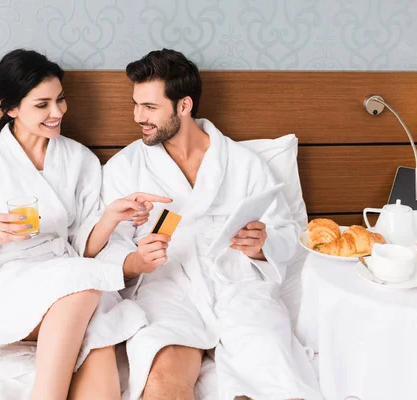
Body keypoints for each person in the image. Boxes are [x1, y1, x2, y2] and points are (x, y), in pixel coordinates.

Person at [0, 49, 171, 399]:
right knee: (88, 287)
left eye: (60, 100)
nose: (57, 113)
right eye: (42, 105)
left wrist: (111, 217)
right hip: (2, 285)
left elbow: (85, 245)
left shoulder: (78, 159)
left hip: (63, 274)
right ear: (10, 107)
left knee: (97, 324)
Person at [102, 49, 322, 400]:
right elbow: (107, 245)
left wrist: (262, 246)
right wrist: (135, 262)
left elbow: (286, 232)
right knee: (162, 380)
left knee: (272, 374)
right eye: (136, 104)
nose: (137, 116)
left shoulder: (244, 163)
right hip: (168, 285)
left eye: (150, 107)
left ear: (184, 106)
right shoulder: (125, 167)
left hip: (239, 284)